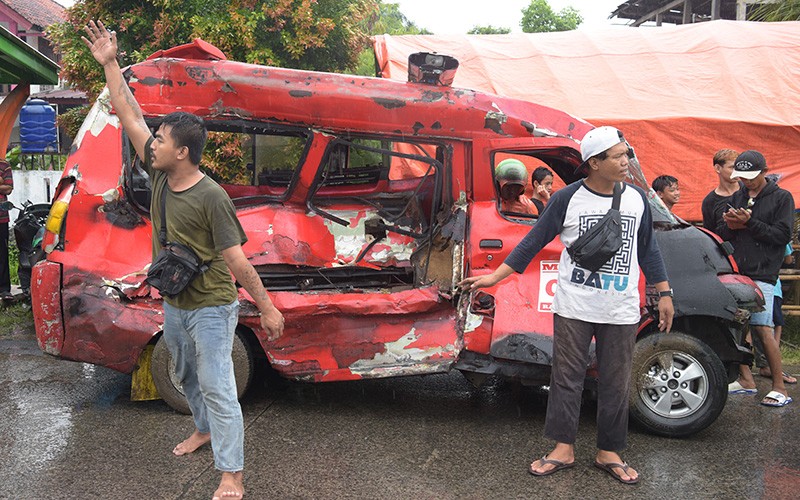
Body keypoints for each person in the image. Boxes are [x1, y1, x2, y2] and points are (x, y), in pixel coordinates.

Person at [83, 20, 285, 499]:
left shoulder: (212, 197)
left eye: (162, 139)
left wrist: (268, 307)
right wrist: (111, 63)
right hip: (175, 300)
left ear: (184, 152)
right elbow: (130, 116)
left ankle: (232, 474)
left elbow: (237, 261)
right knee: (182, 373)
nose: (152, 142)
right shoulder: (158, 178)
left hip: (213, 307)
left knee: (218, 385)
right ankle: (203, 428)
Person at [461, 126, 674, 485]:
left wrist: (664, 293)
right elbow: (532, 241)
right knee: (566, 378)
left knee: (616, 381)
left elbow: (649, 249)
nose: (627, 161)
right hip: (574, 305)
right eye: (619, 156)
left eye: (627, 154)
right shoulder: (567, 199)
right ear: (594, 162)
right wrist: (494, 278)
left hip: (619, 308)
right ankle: (562, 448)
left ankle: (610, 452)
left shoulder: (637, 199)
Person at [716, 150, 793, 407]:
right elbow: (725, 232)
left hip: (764, 273)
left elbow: (782, 236)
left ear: (764, 171)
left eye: (751, 177)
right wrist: (730, 223)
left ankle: (779, 387)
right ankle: (746, 380)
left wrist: (751, 223)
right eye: (743, 177)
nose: (747, 182)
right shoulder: (738, 195)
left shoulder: (782, 197)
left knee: (762, 327)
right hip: (738, 270)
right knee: (737, 327)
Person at [701, 149, 739, 231]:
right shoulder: (710, 201)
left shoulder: (749, 190)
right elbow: (710, 234)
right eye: (732, 167)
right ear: (718, 168)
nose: (737, 171)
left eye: (738, 167)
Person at [0, 158, 12, 300]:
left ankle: (4, 289)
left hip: (1, 217)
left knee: (2, 253)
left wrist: (4, 183)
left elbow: (8, 188)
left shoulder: (4, 165)